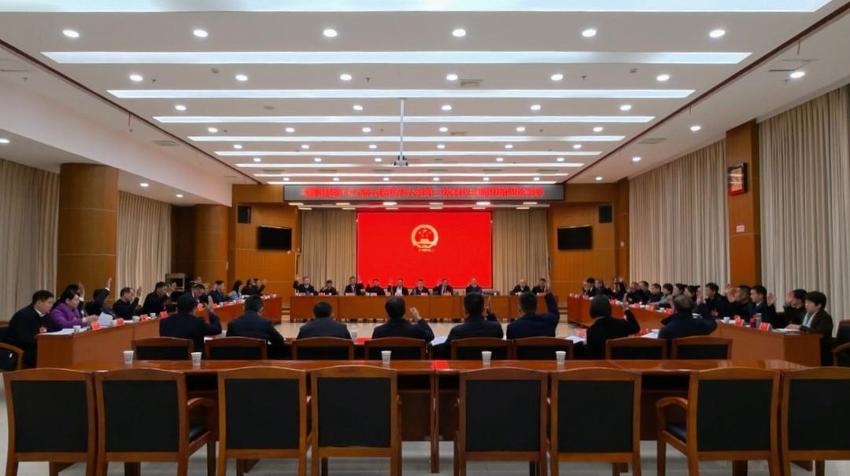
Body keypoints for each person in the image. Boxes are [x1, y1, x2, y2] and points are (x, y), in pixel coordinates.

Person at [5, 290, 54, 367]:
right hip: (22, 349)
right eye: (49, 302)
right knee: (48, 355)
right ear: (39, 302)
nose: (51, 305)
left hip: (39, 346)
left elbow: (52, 332)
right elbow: (23, 339)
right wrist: (42, 342)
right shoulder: (22, 316)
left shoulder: (47, 316)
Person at [786, 291, 833, 365]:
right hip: (804, 344)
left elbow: (819, 333)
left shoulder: (825, 317)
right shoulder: (805, 314)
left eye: (809, 303)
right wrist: (788, 305)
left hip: (820, 349)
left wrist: (800, 327)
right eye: (805, 302)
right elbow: (792, 319)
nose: (806, 305)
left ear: (818, 305)